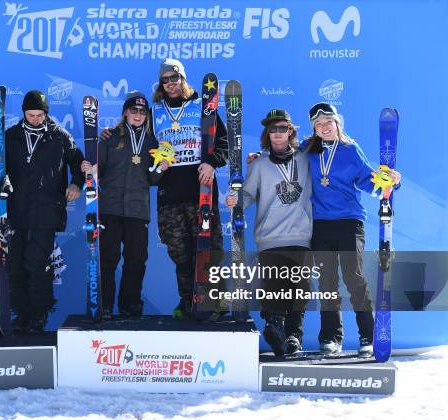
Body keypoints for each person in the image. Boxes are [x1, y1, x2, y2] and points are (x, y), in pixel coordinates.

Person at [102, 59, 229, 319]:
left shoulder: (204, 107)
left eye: (175, 78)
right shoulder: (154, 112)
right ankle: (188, 302)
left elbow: (225, 143)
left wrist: (211, 162)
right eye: (165, 80)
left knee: (208, 249)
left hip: (201, 190)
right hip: (169, 194)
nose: (170, 84)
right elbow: (131, 128)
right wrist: (108, 134)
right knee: (180, 252)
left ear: (183, 79)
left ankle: (214, 302)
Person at [304, 102, 401, 357]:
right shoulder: (306, 150)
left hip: (349, 222)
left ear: (338, 124)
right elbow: (283, 160)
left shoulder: (351, 150)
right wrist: (258, 158)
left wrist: (391, 182)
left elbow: (370, 182)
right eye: (319, 124)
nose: (324, 127)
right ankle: (330, 337)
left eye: (328, 122)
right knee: (326, 281)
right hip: (320, 224)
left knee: (353, 277)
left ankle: (368, 336)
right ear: (314, 128)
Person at [0, 90, 84, 334]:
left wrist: (76, 184)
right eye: (30, 115)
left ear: (46, 113)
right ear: (23, 113)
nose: (35, 119)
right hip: (16, 211)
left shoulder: (60, 136)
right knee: (16, 265)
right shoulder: (10, 137)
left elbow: (79, 164)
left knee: (39, 265)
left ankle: (39, 316)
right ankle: (21, 315)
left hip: (47, 211)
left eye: (39, 115)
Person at [226, 109, 312, 355]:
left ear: (291, 131)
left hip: (301, 235)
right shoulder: (260, 164)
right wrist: (235, 199)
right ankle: (275, 329)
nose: (277, 133)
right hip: (270, 237)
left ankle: (294, 336)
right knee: (274, 285)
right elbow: (248, 194)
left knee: (299, 288)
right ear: (267, 133)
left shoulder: (306, 159)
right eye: (272, 129)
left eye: (282, 128)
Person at [81, 91, 168, 319]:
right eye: (133, 111)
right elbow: (97, 171)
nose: (138, 115)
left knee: (136, 259)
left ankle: (130, 305)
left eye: (142, 112)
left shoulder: (153, 142)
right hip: (110, 208)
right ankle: (105, 305)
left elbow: (151, 180)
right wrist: (89, 169)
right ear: (125, 113)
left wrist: (160, 169)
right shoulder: (109, 137)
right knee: (108, 259)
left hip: (138, 210)